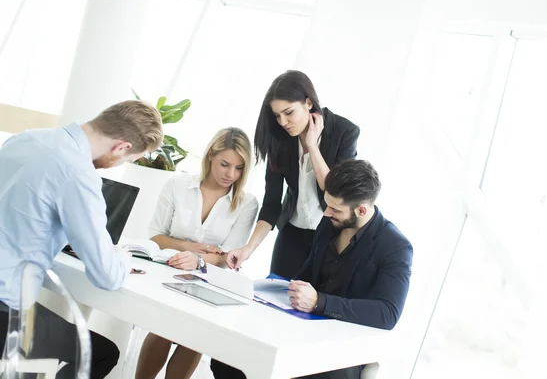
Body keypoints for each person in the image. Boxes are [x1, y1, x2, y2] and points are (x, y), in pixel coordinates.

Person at [0, 100, 164, 379]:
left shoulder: (26, 138)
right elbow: (106, 276)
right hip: (7, 310)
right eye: (127, 160)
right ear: (121, 147)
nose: (117, 165)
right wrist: (122, 258)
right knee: (102, 352)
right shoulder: (79, 175)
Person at [215, 160, 414, 379]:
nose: (327, 212)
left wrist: (320, 301)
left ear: (361, 210)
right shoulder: (329, 224)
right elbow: (306, 275)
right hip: (302, 329)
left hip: (343, 349)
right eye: (327, 205)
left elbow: (388, 313)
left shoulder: (395, 247)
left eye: (335, 209)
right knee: (229, 352)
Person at [135, 127, 258, 379]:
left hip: (209, 279)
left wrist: (199, 260)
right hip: (167, 269)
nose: (230, 174)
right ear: (211, 155)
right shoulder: (178, 185)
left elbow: (228, 257)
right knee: (164, 327)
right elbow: (156, 236)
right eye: (225, 164)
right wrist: (188, 247)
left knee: (196, 336)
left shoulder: (247, 203)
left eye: (239, 168)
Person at [226, 70, 360, 280]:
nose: (283, 122)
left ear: (308, 102)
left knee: (312, 304)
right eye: (277, 115)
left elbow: (336, 192)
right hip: (291, 233)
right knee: (274, 299)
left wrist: (312, 148)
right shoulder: (280, 138)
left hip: (331, 237)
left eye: (289, 113)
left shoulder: (345, 132)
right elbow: (271, 204)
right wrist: (247, 249)